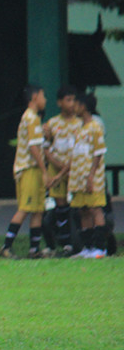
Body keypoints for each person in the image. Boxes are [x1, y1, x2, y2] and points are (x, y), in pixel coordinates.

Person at [0, 85, 49, 259]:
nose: (45, 99)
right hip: (29, 169)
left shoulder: (31, 118)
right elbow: (34, 147)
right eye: (43, 95)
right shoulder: (31, 117)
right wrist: (44, 171)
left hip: (32, 169)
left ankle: (34, 249)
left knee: (38, 209)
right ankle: (6, 246)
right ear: (35, 97)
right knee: (25, 208)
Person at [68, 93, 109, 258]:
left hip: (92, 178)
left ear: (83, 106)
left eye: (76, 104)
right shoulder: (80, 128)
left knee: (95, 209)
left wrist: (91, 175)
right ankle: (88, 248)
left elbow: (98, 153)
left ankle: (100, 248)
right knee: (83, 210)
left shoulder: (95, 127)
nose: (74, 107)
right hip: (79, 178)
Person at [43, 85, 81, 256]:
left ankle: (80, 242)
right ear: (59, 103)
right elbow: (45, 147)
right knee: (61, 207)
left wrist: (66, 168)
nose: (72, 104)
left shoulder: (80, 124)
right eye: (68, 100)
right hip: (56, 170)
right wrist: (56, 164)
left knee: (80, 206)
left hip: (74, 170)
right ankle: (65, 244)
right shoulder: (52, 123)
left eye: (74, 100)